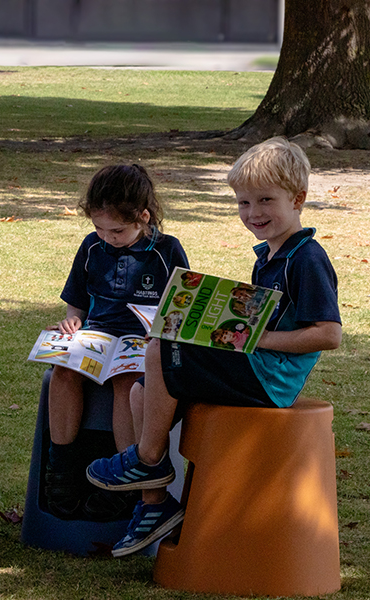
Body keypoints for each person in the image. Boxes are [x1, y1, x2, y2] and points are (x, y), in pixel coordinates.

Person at [86, 137, 342, 557]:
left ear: (298, 199)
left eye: (265, 200)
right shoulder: (270, 255)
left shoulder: (306, 257)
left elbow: (329, 334)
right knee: (139, 389)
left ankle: (147, 458)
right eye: (243, 203)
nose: (253, 213)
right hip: (253, 365)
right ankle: (156, 505)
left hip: (270, 379)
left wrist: (251, 338)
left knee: (161, 347)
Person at [45, 164, 189, 520]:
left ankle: (126, 476)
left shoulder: (166, 250)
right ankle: (61, 468)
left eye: (118, 230)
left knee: (127, 383)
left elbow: (183, 305)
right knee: (62, 373)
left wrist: (158, 329)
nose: (108, 237)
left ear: (144, 217)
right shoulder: (92, 247)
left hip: (144, 341)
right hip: (97, 334)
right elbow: (76, 300)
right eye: (99, 228)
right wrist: (73, 319)